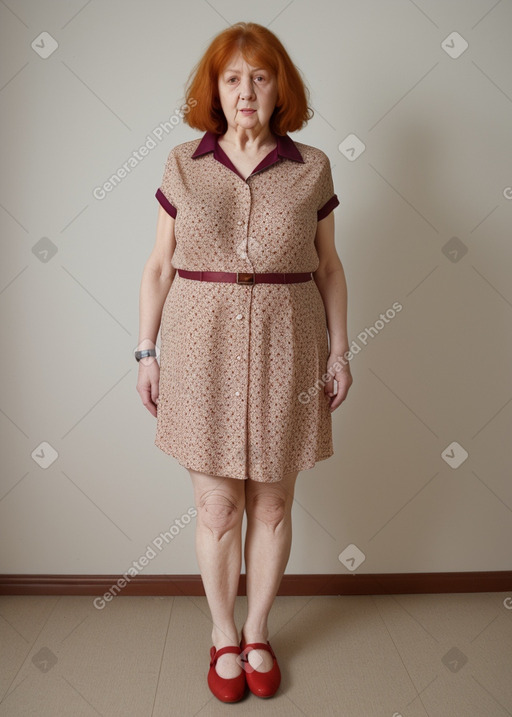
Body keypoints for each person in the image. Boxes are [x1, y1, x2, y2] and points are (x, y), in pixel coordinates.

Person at [136, 21, 352, 703]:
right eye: (232, 78)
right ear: (215, 89)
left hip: (289, 341)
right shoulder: (182, 162)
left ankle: (258, 630)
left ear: (278, 85)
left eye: (259, 76)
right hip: (202, 344)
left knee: (275, 503)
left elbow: (330, 267)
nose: (246, 90)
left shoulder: (311, 165)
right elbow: (160, 265)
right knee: (217, 506)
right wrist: (146, 350)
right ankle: (222, 633)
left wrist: (341, 348)